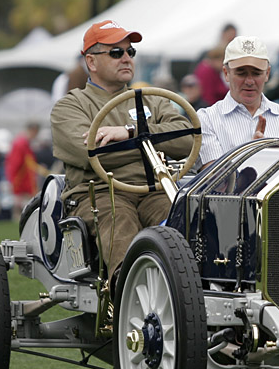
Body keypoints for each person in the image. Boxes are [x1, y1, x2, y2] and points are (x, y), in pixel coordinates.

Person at [51, 20, 195, 271]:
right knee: (120, 220)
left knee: (187, 220)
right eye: (116, 52)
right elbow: (93, 155)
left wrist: (131, 133)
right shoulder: (70, 106)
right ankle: (127, 298)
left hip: (154, 190)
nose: (126, 58)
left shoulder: (151, 99)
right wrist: (154, 144)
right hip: (100, 194)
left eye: (131, 51)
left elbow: (187, 140)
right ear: (91, 62)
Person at [197, 36, 279, 167]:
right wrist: (252, 154)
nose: (249, 81)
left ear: (267, 73)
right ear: (226, 73)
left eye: (256, 73)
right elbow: (213, 179)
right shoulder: (207, 119)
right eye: (241, 73)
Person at [5, 122, 42, 216]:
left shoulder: (25, 144)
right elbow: (14, 164)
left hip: (25, 182)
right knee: (21, 208)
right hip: (21, 183)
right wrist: (13, 182)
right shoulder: (21, 144)